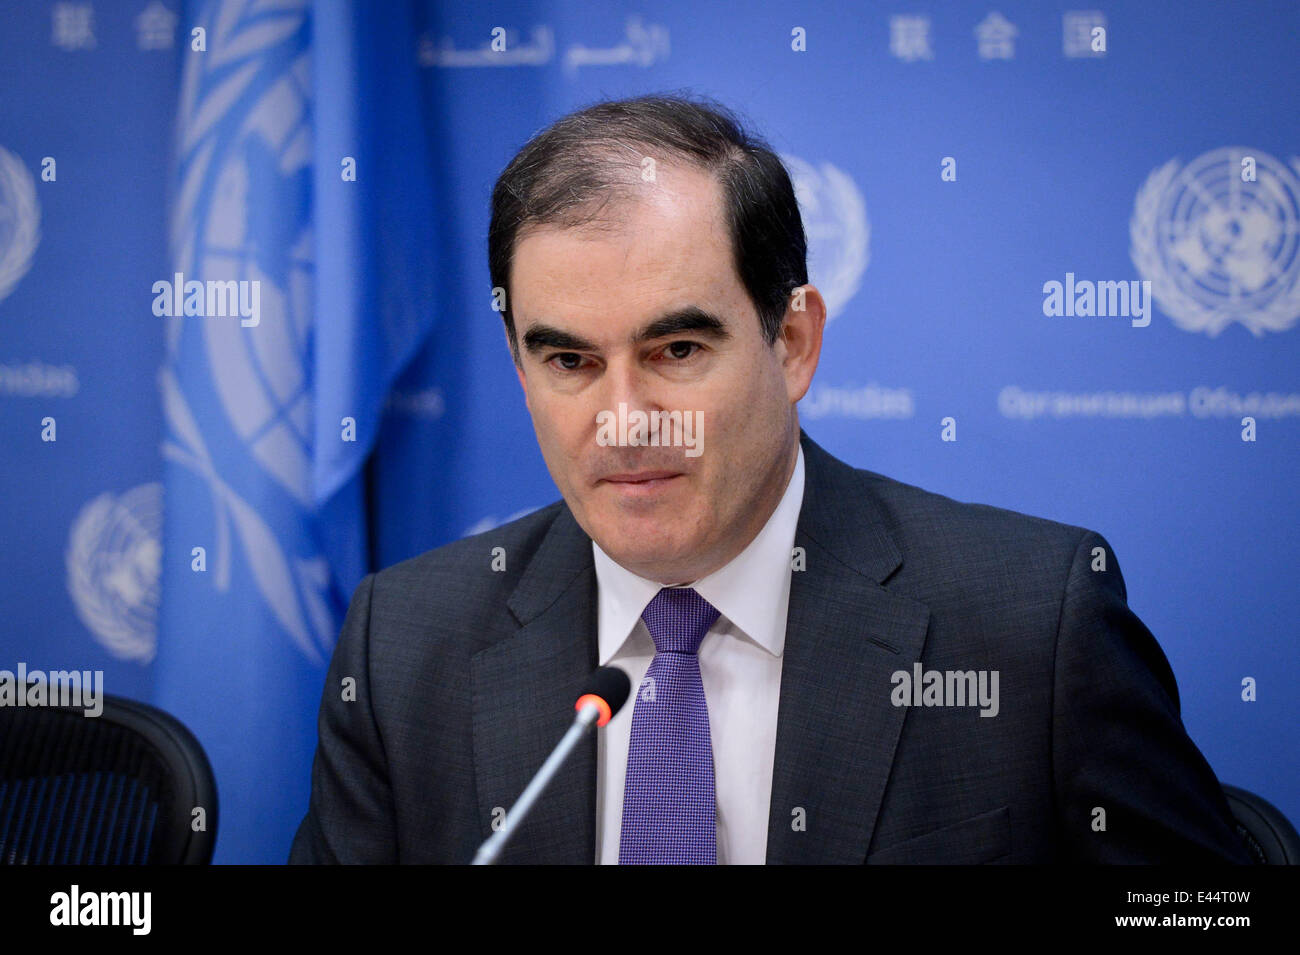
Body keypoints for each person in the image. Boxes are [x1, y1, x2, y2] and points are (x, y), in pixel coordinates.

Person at [289, 93, 1251, 864]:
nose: (623, 419)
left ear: (791, 342)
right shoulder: (405, 647)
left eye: (674, 348)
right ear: (518, 364)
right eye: (569, 361)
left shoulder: (1031, 624)